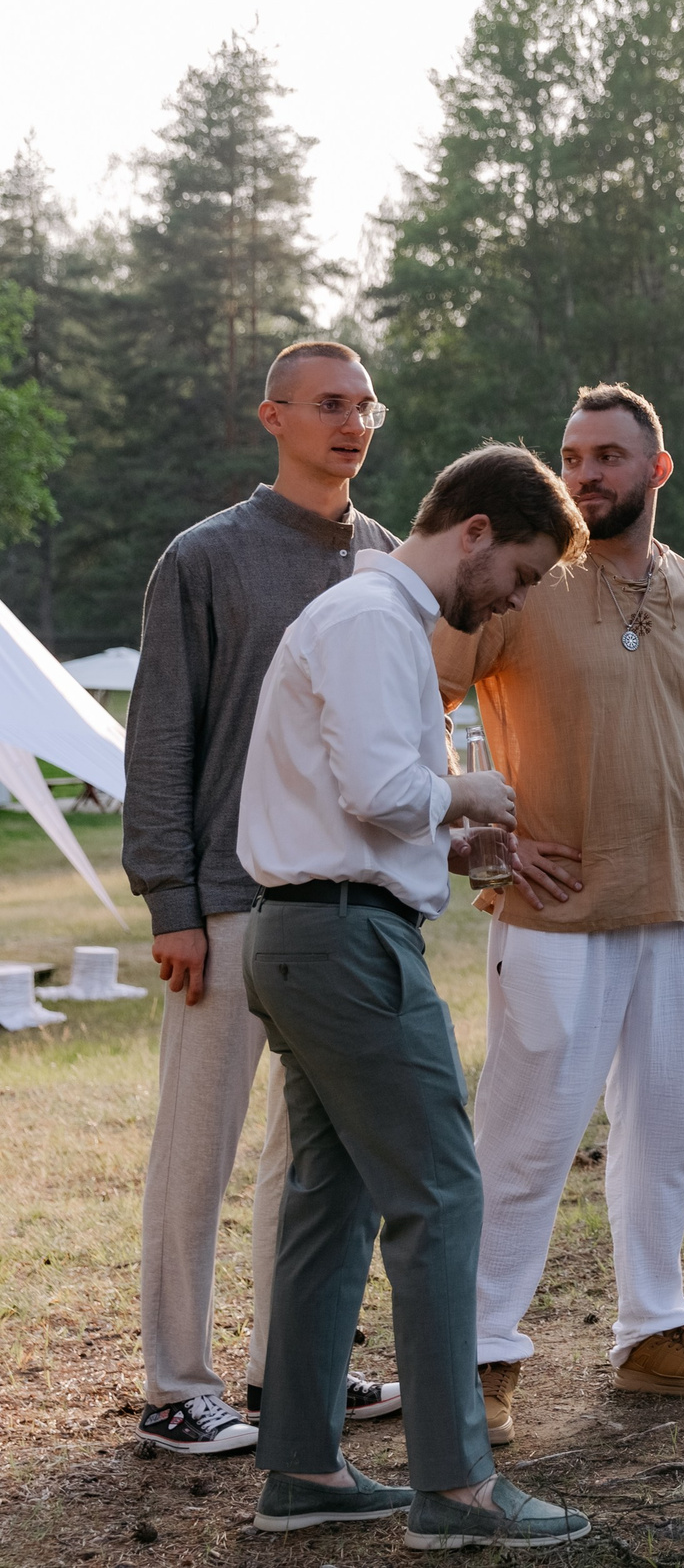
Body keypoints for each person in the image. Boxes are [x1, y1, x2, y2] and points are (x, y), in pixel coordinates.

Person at [236, 445, 590, 1546]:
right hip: (345, 944)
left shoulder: (360, 620)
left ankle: (300, 1465)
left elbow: (366, 797)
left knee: (328, 1208)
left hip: (308, 933)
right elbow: (381, 786)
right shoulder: (376, 621)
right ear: (475, 530)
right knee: (440, 1198)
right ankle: (456, 1487)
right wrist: (470, 787)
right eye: (522, 572)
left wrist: (450, 826)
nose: (514, 598)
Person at [436, 385, 684, 1445]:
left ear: (657, 469)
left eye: (606, 456)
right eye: (571, 455)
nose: (586, 472)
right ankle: (483, 1354)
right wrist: (480, 830)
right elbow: (424, 690)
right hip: (554, 917)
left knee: (664, 1132)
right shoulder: (524, 584)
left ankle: (653, 1333)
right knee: (525, 1139)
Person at [123, 339, 401, 1455]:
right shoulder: (204, 558)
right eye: (328, 404)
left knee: (313, 1156)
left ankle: (298, 1368)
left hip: (345, 906)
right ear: (272, 416)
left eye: (365, 404)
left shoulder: (388, 563)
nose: (351, 422)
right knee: (199, 1149)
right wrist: (170, 902)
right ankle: (173, 1386)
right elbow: (161, 741)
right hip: (230, 902)